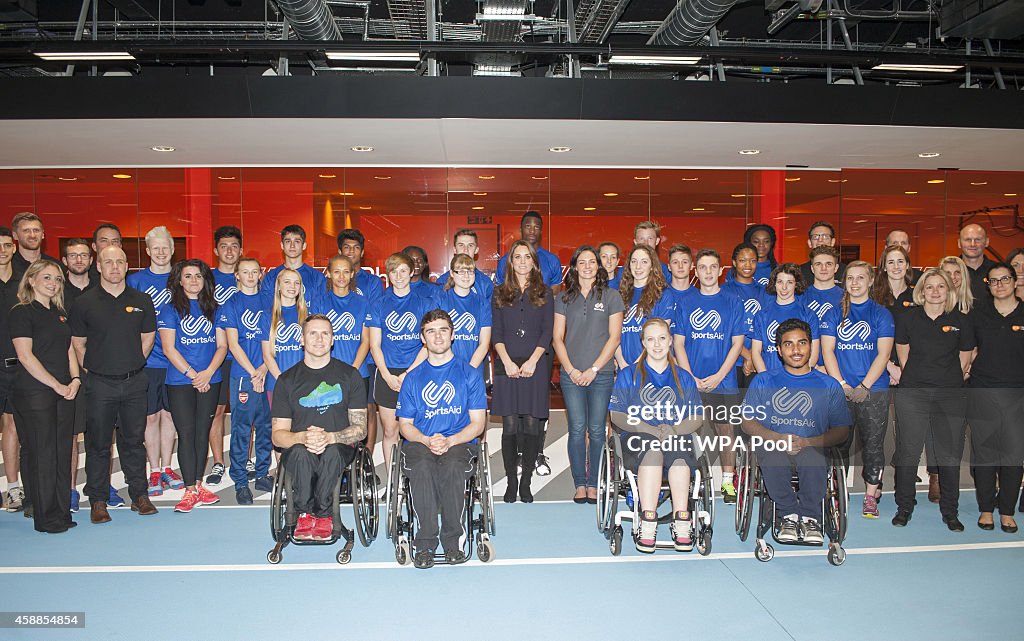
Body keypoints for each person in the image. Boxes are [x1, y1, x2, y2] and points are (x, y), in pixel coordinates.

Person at [741, 318, 851, 545]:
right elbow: (746, 422)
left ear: (811, 346)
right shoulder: (764, 381)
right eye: (788, 344)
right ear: (779, 350)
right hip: (774, 444)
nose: (796, 350)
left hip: (811, 446)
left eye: (802, 343)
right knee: (773, 454)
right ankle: (787, 514)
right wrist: (778, 438)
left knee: (815, 455)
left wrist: (809, 442)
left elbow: (842, 431)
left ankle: (811, 516)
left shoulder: (829, 385)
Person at [70, 246, 158, 523]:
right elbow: (78, 344)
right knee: (98, 445)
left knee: (133, 442)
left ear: (127, 265)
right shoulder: (85, 303)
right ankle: (98, 500)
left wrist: (130, 364)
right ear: (99, 266)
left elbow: (148, 338)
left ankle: (139, 495)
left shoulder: (141, 300)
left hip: (134, 383)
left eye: (120, 261)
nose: (115, 267)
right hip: (99, 385)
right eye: (109, 262)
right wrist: (97, 369)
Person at [396, 310, 487, 568]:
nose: (437, 336)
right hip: (421, 442)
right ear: (422, 338)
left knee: (452, 467)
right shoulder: (412, 379)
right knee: (422, 467)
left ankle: (452, 541)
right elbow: (405, 425)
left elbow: (478, 423)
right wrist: (426, 440)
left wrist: (451, 440)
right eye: (431, 331)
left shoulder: (469, 374)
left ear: (453, 335)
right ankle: (424, 543)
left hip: (459, 442)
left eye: (443, 330)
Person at [609, 318, 704, 552]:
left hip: (675, 434)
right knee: (652, 451)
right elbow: (617, 416)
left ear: (671, 341)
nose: (657, 344)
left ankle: (682, 519)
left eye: (662, 338)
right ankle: (648, 519)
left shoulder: (684, 377)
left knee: (680, 456)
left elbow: (696, 417)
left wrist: (674, 430)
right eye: (650, 339)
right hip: (638, 436)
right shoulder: (628, 375)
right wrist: (649, 429)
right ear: (643, 342)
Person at [271, 314, 367, 542]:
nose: (319, 339)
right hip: (300, 446)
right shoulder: (286, 380)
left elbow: (361, 429)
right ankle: (304, 513)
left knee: (333, 452)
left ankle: (324, 515)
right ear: (302, 340)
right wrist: (302, 437)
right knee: (301, 453)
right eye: (312, 333)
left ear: (333, 340)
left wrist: (330, 437)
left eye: (325, 333)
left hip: (339, 445)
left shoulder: (350, 375)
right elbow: (278, 435)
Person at [891, 269, 973, 531]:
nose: (935, 291)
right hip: (913, 393)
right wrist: (912, 373)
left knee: (948, 455)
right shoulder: (908, 317)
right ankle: (904, 506)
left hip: (949, 395)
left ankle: (950, 510)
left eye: (941, 286)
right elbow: (902, 350)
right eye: (929, 287)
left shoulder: (960, 319)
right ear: (921, 291)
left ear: (948, 290)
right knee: (908, 452)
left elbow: (965, 354)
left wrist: (951, 379)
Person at [820, 261, 895, 518]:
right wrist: (841, 384)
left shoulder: (881, 314)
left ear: (871, 280)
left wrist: (864, 386)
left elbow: (883, 354)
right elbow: (827, 350)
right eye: (850, 278)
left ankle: (870, 496)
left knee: (873, 444)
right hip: (841, 390)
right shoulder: (833, 313)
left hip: (874, 390)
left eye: (860, 278)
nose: (854, 283)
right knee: (839, 443)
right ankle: (837, 493)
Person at [9, 260, 80, 533]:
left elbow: (68, 350)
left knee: (62, 453)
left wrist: (74, 380)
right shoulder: (22, 313)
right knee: (43, 454)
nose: (53, 283)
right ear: (31, 280)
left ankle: (61, 512)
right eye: (47, 277)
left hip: (64, 391)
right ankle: (45, 516)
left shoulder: (59, 313)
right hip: (35, 393)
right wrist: (56, 385)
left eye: (57, 279)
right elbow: (26, 356)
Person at [673, 248, 747, 503]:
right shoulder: (686, 303)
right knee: (688, 432)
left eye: (712, 267)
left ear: (720, 270)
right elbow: (678, 343)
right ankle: (690, 482)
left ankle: (728, 483)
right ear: (697, 271)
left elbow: (737, 344)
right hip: (690, 380)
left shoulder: (733, 302)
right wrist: (689, 376)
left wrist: (719, 375)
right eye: (702, 267)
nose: (707, 272)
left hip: (723, 381)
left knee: (725, 431)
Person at [553, 245, 623, 505]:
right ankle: (579, 484)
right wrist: (570, 369)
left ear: (598, 266)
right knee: (576, 429)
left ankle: (594, 484)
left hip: (601, 374)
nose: (587, 266)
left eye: (592, 262)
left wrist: (593, 369)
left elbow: (614, 338)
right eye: (582, 262)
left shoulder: (612, 296)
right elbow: (557, 338)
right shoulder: (563, 298)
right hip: (571, 375)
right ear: (574, 267)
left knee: (596, 430)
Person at [158, 259, 228, 513]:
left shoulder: (215, 309)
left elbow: (222, 346)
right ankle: (188, 490)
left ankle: (198, 485)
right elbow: (169, 348)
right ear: (179, 280)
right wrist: (193, 375)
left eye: (197, 276)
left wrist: (208, 373)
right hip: (180, 382)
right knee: (186, 434)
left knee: (202, 432)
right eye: (187, 276)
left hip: (210, 380)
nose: (193, 280)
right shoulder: (170, 310)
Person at [491, 240, 554, 503]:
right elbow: (497, 332)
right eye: (517, 257)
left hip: (535, 365)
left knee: (530, 424)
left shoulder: (545, 292)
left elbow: (547, 331)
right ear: (511, 261)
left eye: (527, 257)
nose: (522, 261)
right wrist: (505, 361)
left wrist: (532, 361)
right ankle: (511, 482)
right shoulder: (499, 293)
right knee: (509, 426)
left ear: (534, 261)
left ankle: (526, 481)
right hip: (507, 364)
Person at [965, 263, 1023, 533]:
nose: (1000, 285)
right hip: (983, 391)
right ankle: (986, 509)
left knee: (1013, 454)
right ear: (988, 285)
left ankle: (1007, 511)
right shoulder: (979, 314)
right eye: (994, 281)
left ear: (1014, 281)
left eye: (1005, 279)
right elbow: (969, 350)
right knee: (985, 453)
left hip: (1017, 395)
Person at [366, 253, 434, 472]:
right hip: (387, 373)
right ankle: (393, 484)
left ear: (412, 271)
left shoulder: (424, 303)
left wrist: (408, 374)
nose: (399, 276)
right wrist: (386, 375)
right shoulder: (379, 304)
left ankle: (417, 480)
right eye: (394, 271)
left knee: (417, 430)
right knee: (390, 431)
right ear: (388, 275)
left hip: (417, 372)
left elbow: (428, 344)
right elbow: (374, 344)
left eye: (403, 270)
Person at [127, 226, 181, 500]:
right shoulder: (135, 282)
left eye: (165, 247)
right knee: (150, 416)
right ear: (147, 251)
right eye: (155, 248)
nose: (160, 252)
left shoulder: (180, 279)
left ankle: (169, 467)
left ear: (172, 250)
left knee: (170, 415)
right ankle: (154, 469)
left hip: (175, 360)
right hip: (147, 362)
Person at [220, 257, 272, 504]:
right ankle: (240, 481)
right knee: (242, 429)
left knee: (266, 426)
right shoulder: (230, 305)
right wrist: (253, 372)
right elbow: (232, 344)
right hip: (244, 375)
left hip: (268, 372)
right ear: (237, 276)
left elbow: (274, 341)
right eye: (245, 272)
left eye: (254, 271)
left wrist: (264, 369)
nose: (250, 276)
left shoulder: (271, 302)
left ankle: (262, 473)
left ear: (261, 274)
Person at [336, 228, 384, 460]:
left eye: (356, 248)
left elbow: (372, 318)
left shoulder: (373, 283)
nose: (351, 252)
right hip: (337, 362)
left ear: (362, 252)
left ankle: (367, 462)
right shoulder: (330, 285)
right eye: (347, 247)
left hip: (367, 360)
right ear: (340, 251)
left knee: (367, 411)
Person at [206, 226, 242, 486]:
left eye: (234, 246)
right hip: (216, 357)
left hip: (244, 357)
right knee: (216, 411)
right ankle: (219, 462)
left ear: (241, 250)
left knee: (246, 411)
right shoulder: (206, 279)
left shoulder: (251, 277)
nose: (229, 251)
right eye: (224, 246)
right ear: (216, 250)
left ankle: (246, 458)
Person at [60, 238, 94, 512]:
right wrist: (78, 372)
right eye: (73, 256)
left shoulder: (103, 288)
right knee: (71, 434)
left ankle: (98, 487)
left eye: (84, 255)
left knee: (101, 433)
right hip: (71, 373)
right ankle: (70, 490)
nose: (79, 260)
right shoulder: (58, 292)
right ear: (65, 261)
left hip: (103, 374)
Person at [260, 269, 308, 446]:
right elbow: (267, 355)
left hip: (304, 384)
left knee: (303, 431)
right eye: (287, 282)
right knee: (281, 434)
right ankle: (283, 473)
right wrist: (283, 381)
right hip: (277, 383)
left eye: (296, 283)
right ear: (279, 286)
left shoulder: (307, 315)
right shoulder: (267, 316)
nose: (292, 286)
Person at [751, 263, 820, 373]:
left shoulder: (808, 315)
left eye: (789, 282)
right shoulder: (762, 315)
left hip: (799, 380)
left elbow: (814, 351)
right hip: (771, 379)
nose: (784, 287)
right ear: (774, 284)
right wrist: (766, 379)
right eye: (780, 282)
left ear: (796, 285)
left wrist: (803, 376)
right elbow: (756, 352)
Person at [615, 244, 675, 368]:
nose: (638, 266)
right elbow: (613, 334)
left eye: (644, 262)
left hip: (652, 366)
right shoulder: (619, 294)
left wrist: (638, 363)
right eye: (634, 261)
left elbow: (661, 335)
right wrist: (622, 363)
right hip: (624, 366)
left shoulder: (663, 294)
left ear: (652, 266)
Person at [721, 242, 768, 389]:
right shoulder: (723, 291)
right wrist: (748, 355)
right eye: (742, 260)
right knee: (729, 410)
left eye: (752, 260)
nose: (748, 265)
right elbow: (724, 329)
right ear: (734, 263)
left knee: (753, 411)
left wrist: (754, 357)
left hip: (757, 363)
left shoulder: (765, 292)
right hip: (729, 361)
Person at [0, 227, 24, 512]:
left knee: (12, 426)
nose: (3, 250)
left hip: (18, 366)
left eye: (7, 246)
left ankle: (13, 488)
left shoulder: (24, 284)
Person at [437, 254, 491, 374]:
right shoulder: (440, 299)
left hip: (473, 370)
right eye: (461, 272)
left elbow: (484, 344)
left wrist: (468, 371)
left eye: (470, 271)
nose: (466, 276)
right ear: (452, 273)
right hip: (444, 371)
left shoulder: (483, 303)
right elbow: (435, 340)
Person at [800, 246, 844, 370]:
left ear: (836, 268)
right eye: (818, 264)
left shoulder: (846, 298)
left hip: (839, 367)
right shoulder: (800, 297)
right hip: (805, 365)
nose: (823, 268)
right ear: (812, 268)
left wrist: (829, 367)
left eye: (828, 264)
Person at [495, 211, 563, 291]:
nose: (532, 231)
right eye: (528, 226)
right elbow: (500, 294)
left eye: (536, 227)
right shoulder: (506, 260)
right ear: (521, 229)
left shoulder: (552, 260)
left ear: (541, 231)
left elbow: (554, 296)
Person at [261, 225, 324, 309]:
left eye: (297, 241)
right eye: (288, 241)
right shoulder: (271, 277)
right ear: (282, 245)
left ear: (304, 246)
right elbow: (267, 309)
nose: (292, 245)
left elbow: (321, 309)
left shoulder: (317, 277)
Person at [435, 229, 495, 301]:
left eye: (470, 245)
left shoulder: (486, 284)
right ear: (454, 249)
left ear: (476, 250)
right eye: (461, 245)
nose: (465, 250)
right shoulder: (442, 281)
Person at [10, 212, 60, 280]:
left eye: (36, 230)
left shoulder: (56, 265)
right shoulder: (8, 266)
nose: (32, 235)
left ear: (42, 234)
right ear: (15, 235)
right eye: (26, 231)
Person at [958, 223, 997, 305]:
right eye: (968, 240)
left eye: (978, 240)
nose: (973, 244)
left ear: (986, 242)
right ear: (959, 243)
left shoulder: (998, 271)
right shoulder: (947, 273)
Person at [798, 221, 846, 287]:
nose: (820, 240)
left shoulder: (846, 271)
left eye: (825, 236)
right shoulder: (799, 272)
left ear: (832, 242)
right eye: (815, 237)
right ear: (809, 243)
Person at [665, 244, 698, 314]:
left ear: (692, 265)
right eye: (675, 262)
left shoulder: (699, 296)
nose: (680, 266)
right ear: (669, 267)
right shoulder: (660, 295)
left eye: (685, 262)